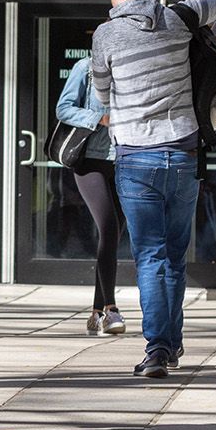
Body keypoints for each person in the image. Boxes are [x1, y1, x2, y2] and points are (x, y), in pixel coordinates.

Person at [90, 0, 216, 380]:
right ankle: (172, 343)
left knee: (150, 255)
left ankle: (158, 347)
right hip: (182, 154)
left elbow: (102, 95)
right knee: (174, 256)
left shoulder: (107, 33)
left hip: (137, 158)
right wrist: (211, 36)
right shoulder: (181, 17)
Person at [55, 54, 125, 337]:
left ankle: (96, 313)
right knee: (108, 228)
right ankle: (111, 309)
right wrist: (100, 118)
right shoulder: (85, 68)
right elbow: (64, 108)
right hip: (89, 161)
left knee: (114, 234)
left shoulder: (136, 69)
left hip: (125, 161)